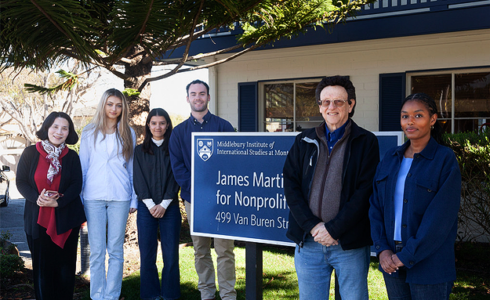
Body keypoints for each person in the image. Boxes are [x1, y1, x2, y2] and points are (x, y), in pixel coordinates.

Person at [283, 75, 380, 300]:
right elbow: (291, 184)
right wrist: (314, 227)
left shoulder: (366, 142)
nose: (331, 107)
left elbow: (365, 192)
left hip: (349, 245)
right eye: (326, 101)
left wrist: (333, 229)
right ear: (319, 106)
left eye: (338, 101)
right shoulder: (303, 141)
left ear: (351, 104)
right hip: (309, 242)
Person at [369, 93, 461, 299]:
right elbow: (375, 206)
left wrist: (407, 255)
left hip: (430, 262)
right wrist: (382, 249)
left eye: (418, 116)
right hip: (392, 259)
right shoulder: (390, 158)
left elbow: (440, 218)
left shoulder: (444, 160)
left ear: (433, 119)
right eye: (405, 116)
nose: (410, 121)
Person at [169, 79, 236, 300]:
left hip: (222, 198)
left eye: (202, 93)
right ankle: (207, 293)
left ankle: (227, 294)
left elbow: (233, 162)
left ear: (208, 97)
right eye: (193, 94)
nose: (198, 97)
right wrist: (197, 191)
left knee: (224, 250)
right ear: (188, 98)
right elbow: (178, 167)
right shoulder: (178, 132)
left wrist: (220, 189)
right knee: (200, 249)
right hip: (194, 199)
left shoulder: (223, 126)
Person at [16, 112, 86, 300]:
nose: (59, 131)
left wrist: (58, 202)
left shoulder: (71, 156)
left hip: (66, 219)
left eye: (65, 128)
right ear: (47, 127)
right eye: (55, 126)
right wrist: (36, 198)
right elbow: (21, 182)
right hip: (37, 218)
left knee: (65, 270)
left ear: (69, 132)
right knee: (42, 271)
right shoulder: (31, 152)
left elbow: (76, 185)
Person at [79, 88, 137, 300]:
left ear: (123, 108)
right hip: (92, 196)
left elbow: (131, 168)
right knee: (96, 251)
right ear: (103, 105)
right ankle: (97, 295)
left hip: (120, 196)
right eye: (110, 104)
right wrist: (80, 197)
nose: (114, 109)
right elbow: (83, 166)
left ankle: (112, 295)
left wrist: (134, 198)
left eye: (118, 105)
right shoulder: (89, 131)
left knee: (115, 250)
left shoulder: (128, 133)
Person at [133, 108, 181, 300]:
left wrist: (164, 204)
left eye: (162, 123)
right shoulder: (139, 151)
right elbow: (138, 179)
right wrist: (152, 204)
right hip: (146, 209)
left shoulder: (175, 150)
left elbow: (175, 178)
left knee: (170, 255)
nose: (158, 127)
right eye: (154, 123)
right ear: (148, 125)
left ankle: (170, 294)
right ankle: (150, 294)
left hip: (170, 209)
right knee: (147, 255)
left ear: (167, 125)